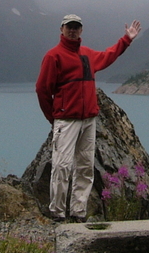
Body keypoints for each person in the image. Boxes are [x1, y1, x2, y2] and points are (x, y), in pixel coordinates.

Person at [35, 13, 141, 222]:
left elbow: (109, 55)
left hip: (88, 120)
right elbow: (42, 90)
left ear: (81, 30)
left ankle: (78, 211)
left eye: (76, 27)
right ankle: (57, 212)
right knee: (62, 166)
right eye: (69, 27)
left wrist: (126, 39)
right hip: (67, 121)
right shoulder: (53, 56)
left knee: (84, 166)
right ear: (62, 30)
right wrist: (54, 118)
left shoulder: (87, 55)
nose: (72, 30)